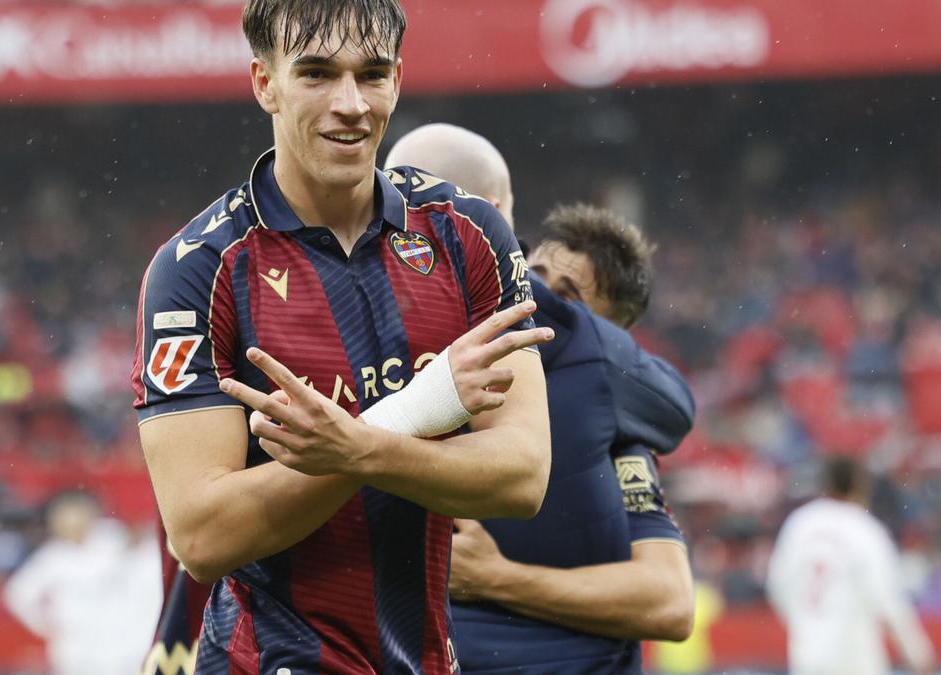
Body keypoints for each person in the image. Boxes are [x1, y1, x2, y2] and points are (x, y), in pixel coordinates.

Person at [131, 0, 554, 671]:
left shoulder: (468, 234)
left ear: (399, 79)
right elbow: (202, 534)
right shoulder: (199, 270)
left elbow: (522, 476)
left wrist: (352, 445)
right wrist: (419, 410)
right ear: (264, 81)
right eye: (318, 74)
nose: (352, 103)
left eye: (373, 74)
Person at [385, 124, 696, 672]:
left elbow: (669, 602)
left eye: (566, 296)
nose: (536, 297)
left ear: (615, 331)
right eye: (533, 274)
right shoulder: (384, 342)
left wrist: (500, 579)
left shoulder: (614, 437)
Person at [767, 456, 936, 675]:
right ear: (859, 485)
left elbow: (777, 587)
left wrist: (807, 625)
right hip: (854, 659)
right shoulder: (864, 529)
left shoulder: (799, 523)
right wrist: (918, 654)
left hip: (807, 657)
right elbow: (887, 600)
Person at [3, 490, 162, 675]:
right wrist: (48, 625)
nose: (71, 525)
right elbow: (18, 594)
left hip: (126, 648)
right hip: (78, 653)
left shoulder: (113, 541)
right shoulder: (53, 557)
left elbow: (147, 564)